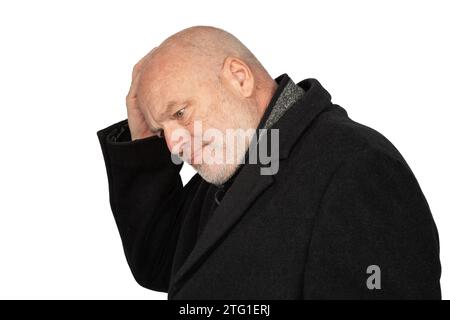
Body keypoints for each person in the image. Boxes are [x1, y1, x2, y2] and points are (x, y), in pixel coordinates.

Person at [97, 26, 441, 299]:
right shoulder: (236, 158)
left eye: (180, 113)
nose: (173, 143)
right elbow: (161, 263)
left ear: (239, 78)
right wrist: (141, 139)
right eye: (162, 131)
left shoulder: (356, 166)